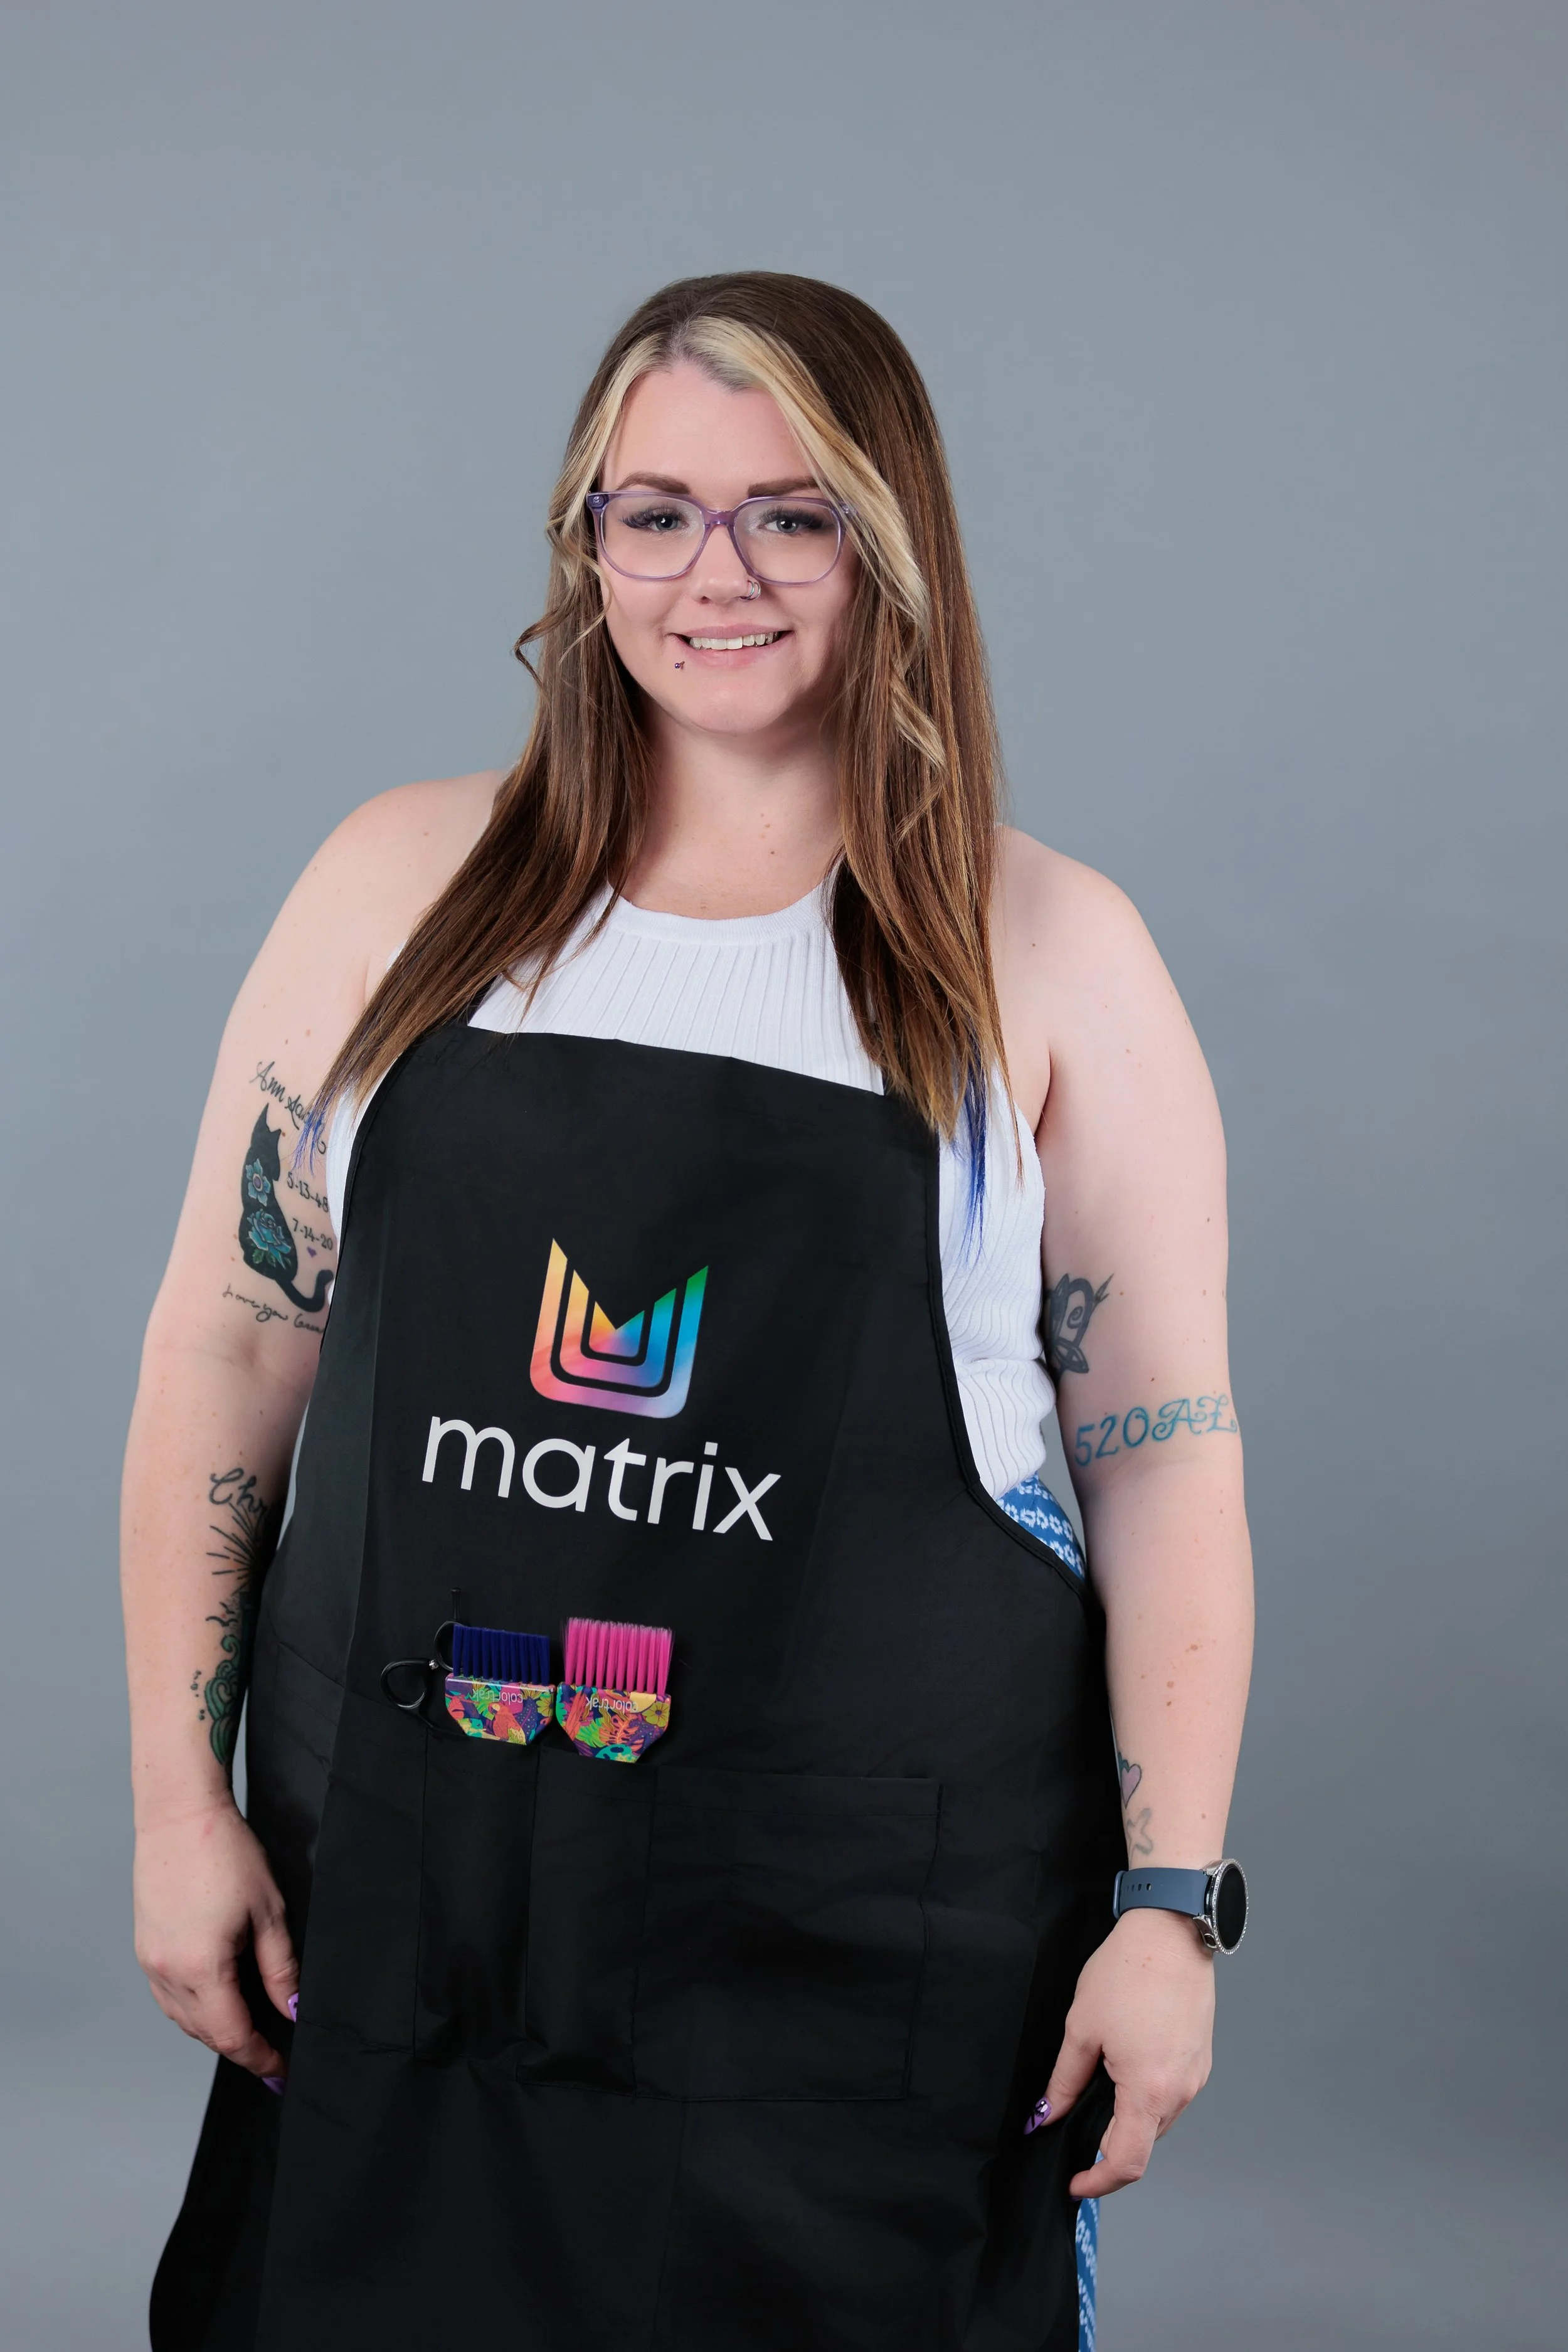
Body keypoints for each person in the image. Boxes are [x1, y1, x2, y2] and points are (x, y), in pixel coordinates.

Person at [122, 272, 1253, 2352]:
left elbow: (1161, 1465)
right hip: (416, 1919)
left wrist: (1168, 1907)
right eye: (652, 512)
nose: (712, 574)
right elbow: (230, 1344)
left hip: (845, 1971)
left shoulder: (1047, 954)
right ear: (585, 546)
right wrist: (178, 1804)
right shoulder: (396, 885)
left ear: (890, 544)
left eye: (788, 513)